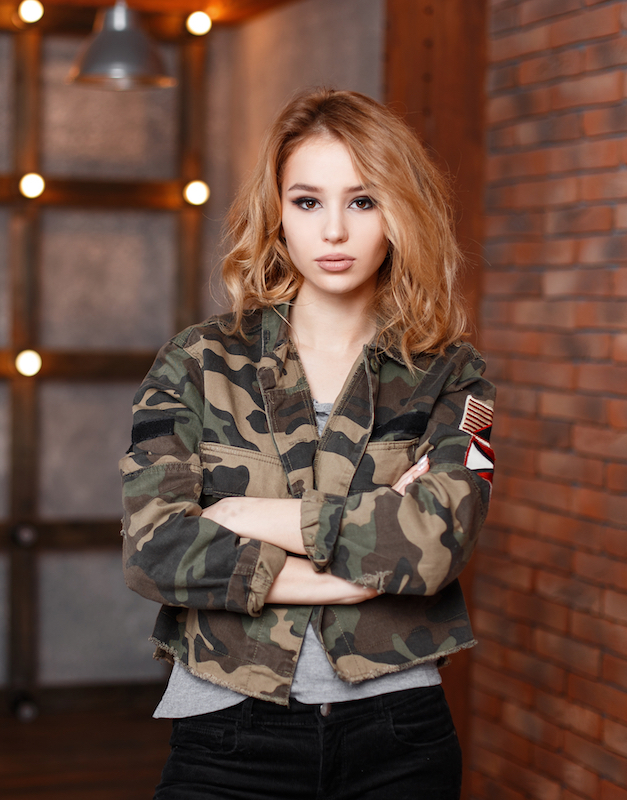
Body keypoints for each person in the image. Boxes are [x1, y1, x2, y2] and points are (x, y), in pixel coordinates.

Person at [120, 87, 495, 800]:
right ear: (277, 215)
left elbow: (438, 543)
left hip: (400, 736)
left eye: (362, 201)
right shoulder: (197, 363)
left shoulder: (454, 375)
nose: (333, 232)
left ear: (398, 213)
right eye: (307, 201)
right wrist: (362, 565)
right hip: (228, 730)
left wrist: (240, 517)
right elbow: (155, 551)